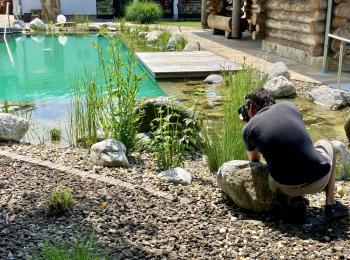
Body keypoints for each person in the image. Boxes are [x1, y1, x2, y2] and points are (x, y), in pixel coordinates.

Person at [240, 88, 349, 219]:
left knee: (280, 159)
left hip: (285, 187)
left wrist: (247, 125)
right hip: (318, 180)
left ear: (251, 107)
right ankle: (331, 204)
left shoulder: (249, 127)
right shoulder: (290, 106)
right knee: (325, 143)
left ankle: (295, 202)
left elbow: (254, 160)